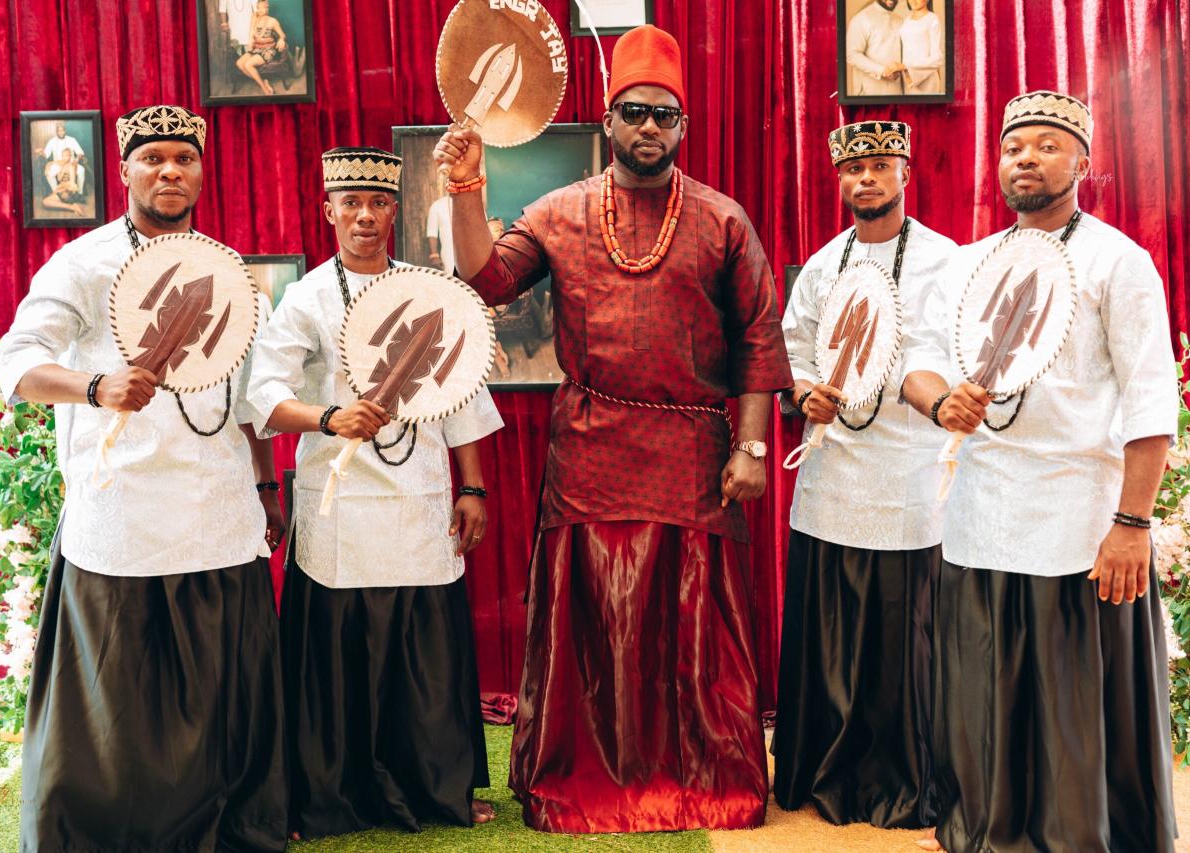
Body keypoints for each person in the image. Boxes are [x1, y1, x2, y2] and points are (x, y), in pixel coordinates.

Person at [434, 24, 793, 833]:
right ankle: (590, 777)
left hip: (694, 452)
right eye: (635, 112)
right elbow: (486, 279)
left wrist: (752, 445)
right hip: (590, 446)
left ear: (683, 126)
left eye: (664, 115)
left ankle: (700, 780)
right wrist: (465, 188)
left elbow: (758, 339)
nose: (649, 127)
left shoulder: (723, 219)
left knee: (689, 627)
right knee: (597, 620)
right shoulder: (558, 213)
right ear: (607, 119)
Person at [0, 104, 287, 852]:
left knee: (220, 691)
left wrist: (265, 486)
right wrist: (96, 387)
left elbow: (248, 395)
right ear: (124, 170)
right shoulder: (85, 263)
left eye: (183, 159)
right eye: (153, 158)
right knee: (119, 700)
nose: (169, 171)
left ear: (202, 172)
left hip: (219, 511)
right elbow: (17, 363)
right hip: (122, 512)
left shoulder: (228, 271)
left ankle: (227, 828)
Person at [902, 91, 1179, 853]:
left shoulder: (1118, 261)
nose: (1026, 157)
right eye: (1013, 146)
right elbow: (918, 361)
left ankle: (1078, 836)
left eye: (1047, 145)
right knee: (983, 691)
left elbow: (1151, 400)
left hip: (1078, 521)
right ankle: (990, 829)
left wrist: (1132, 524)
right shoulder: (968, 264)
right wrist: (941, 403)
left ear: (1083, 162)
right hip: (982, 513)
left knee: (1070, 703)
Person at [246, 146, 503, 838]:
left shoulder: (426, 290)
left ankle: (436, 789)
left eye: (378, 203)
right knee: (337, 657)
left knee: (424, 656)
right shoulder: (307, 298)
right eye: (351, 203)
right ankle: (327, 798)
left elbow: (461, 394)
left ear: (394, 211)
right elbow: (263, 395)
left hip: (419, 494)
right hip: (339, 505)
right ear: (328, 210)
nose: (365, 215)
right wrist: (327, 417)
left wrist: (473, 486)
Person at [771, 120, 955, 830]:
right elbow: (792, 354)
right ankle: (824, 773)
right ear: (840, 180)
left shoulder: (945, 262)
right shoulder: (824, 266)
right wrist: (803, 393)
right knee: (830, 639)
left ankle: (899, 782)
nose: (867, 178)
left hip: (910, 480)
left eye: (881, 165)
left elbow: (949, 357)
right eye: (855, 168)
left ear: (906, 172)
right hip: (832, 479)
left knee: (901, 646)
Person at [846, 0, 906, 97]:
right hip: (870, 94)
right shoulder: (862, 18)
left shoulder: (899, 20)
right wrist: (882, 71)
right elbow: (852, 55)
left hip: (897, 93)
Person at [235, 0, 286, 95]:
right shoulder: (255, 19)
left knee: (248, 65)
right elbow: (251, 35)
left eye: (266, 7)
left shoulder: (273, 21)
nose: (264, 9)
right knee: (239, 63)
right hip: (257, 49)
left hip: (268, 50)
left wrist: (281, 40)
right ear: (257, 8)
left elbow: (282, 34)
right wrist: (251, 44)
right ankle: (264, 82)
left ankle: (264, 89)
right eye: (261, 7)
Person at [899, 0, 944, 95]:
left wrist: (906, 65)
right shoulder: (906, 20)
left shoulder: (932, 19)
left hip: (927, 81)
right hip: (908, 79)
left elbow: (937, 59)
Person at [41, 120, 86, 193]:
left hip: (71, 164)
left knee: (81, 170)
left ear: (65, 130)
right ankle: (56, 192)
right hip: (58, 164)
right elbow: (46, 155)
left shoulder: (72, 140)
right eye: (59, 131)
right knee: (48, 173)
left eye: (63, 130)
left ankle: (79, 193)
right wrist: (41, 152)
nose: (61, 132)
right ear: (56, 131)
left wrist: (77, 159)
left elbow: (80, 152)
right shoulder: (52, 141)